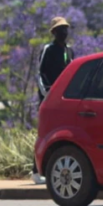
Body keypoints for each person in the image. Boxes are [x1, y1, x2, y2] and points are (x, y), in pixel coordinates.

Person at [32, 16, 75, 184]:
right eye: (60, 29)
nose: (63, 32)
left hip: (65, 100)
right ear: (54, 32)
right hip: (49, 98)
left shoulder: (69, 50)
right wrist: (47, 94)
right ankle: (35, 171)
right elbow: (40, 73)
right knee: (45, 132)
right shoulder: (48, 49)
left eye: (65, 29)